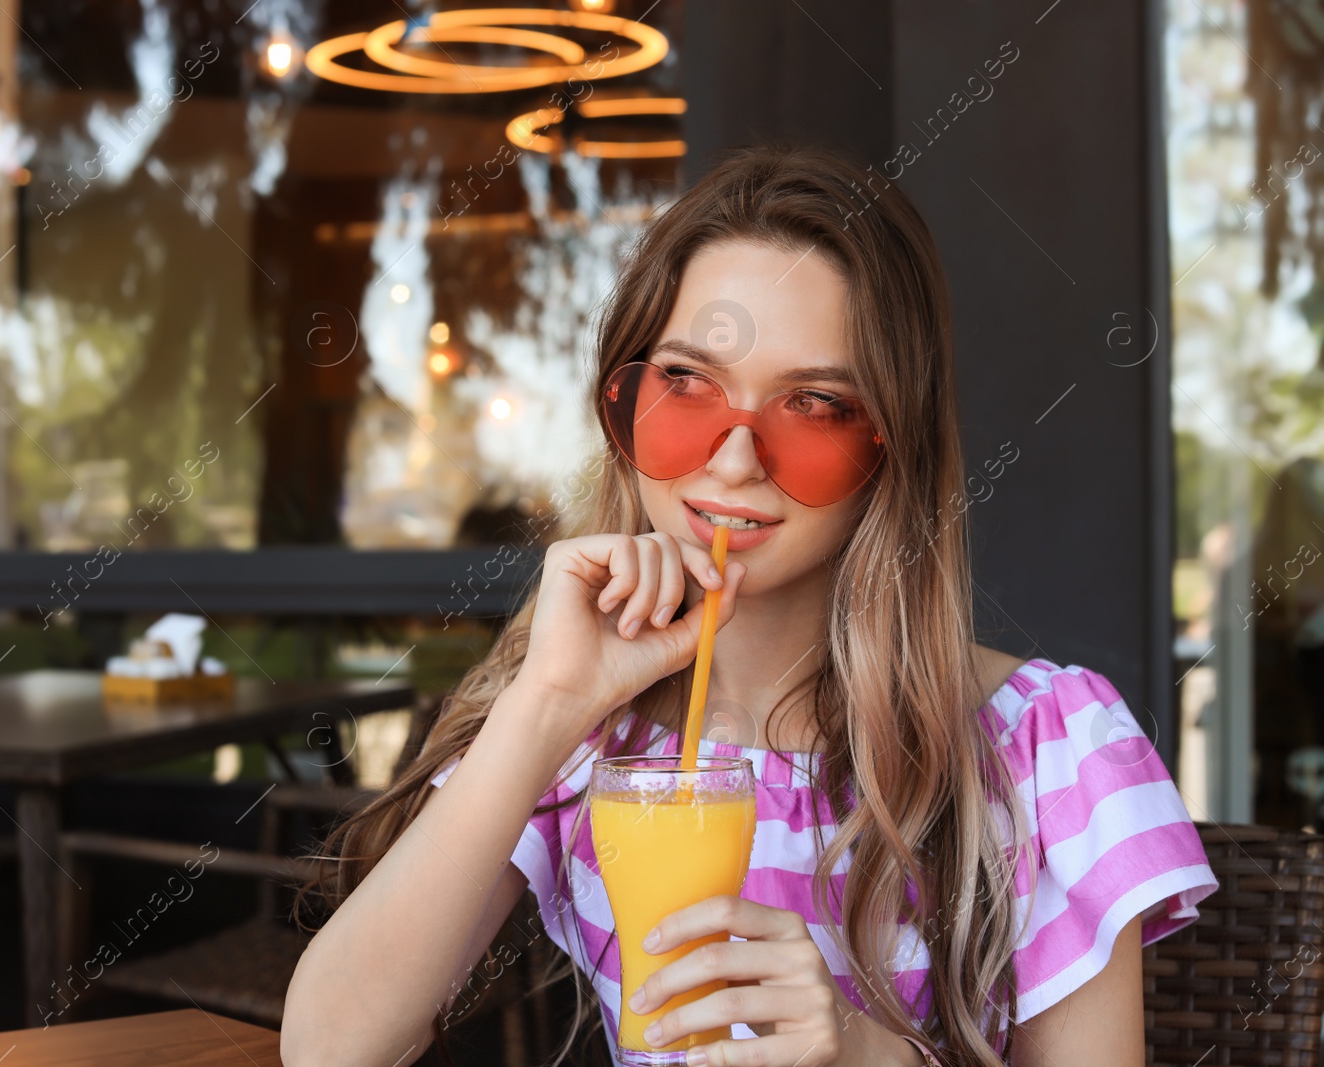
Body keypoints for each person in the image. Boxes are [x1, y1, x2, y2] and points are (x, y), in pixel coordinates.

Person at [281, 146, 1219, 1067]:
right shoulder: (587, 731)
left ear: (892, 449)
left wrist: (863, 1052)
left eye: (811, 405)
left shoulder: (1047, 750)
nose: (733, 463)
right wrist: (548, 698)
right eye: (687, 384)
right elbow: (331, 1046)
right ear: (629, 391)